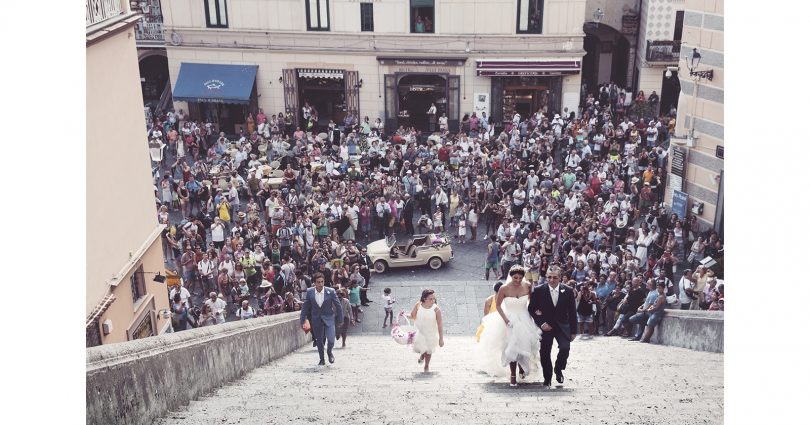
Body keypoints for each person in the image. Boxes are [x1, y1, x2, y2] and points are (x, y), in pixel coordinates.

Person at [477, 265, 541, 387]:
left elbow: (531, 303)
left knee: (525, 343)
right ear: (511, 277)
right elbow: (499, 306)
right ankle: (512, 374)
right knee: (512, 346)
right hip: (509, 318)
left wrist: (536, 314)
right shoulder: (504, 288)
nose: (517, 280)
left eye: (520, 278)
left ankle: (522, 367)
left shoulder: (527, 286)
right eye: (515, 278)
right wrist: (506, 319)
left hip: (524, 318)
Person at [528, 265, 577, 387]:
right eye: (549, 277)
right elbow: (532, 309)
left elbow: (572, 312)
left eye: (555, 277)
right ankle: (547, 378)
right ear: (546, 277)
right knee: (545, 352)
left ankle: (558, 369)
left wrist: (574, 331)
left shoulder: (568, 291)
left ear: (560, 278)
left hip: (562, 327)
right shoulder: (539, 290)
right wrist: (541, 323)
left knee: (565, 348)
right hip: (546, 327)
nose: (551, 280)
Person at [299, 272, 344, 366]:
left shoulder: (330, 291)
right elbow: (305, 307)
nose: (320, 284)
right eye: (318, 282)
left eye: (322, 282)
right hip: (316, 319)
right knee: (319, 341)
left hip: (329, 318)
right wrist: (302, 320)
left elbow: (338, 306)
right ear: (314, 283)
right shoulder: (310, 291)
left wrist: (340, 319)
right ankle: (322, 359)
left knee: (331, 340)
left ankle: (329, 352)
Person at [409, 289, 444, 373]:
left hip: (430, 333)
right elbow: (413, 316)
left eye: (434, 298)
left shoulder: (436, 309)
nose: (433, 300)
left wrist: (441, 339)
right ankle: (422, 355)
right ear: (424, 298)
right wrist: (404, 315)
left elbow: (440, 324)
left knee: (428, 350)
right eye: (430, 299)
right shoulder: (418, 305)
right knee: (421, 348)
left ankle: (426, 365)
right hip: (419, 332)